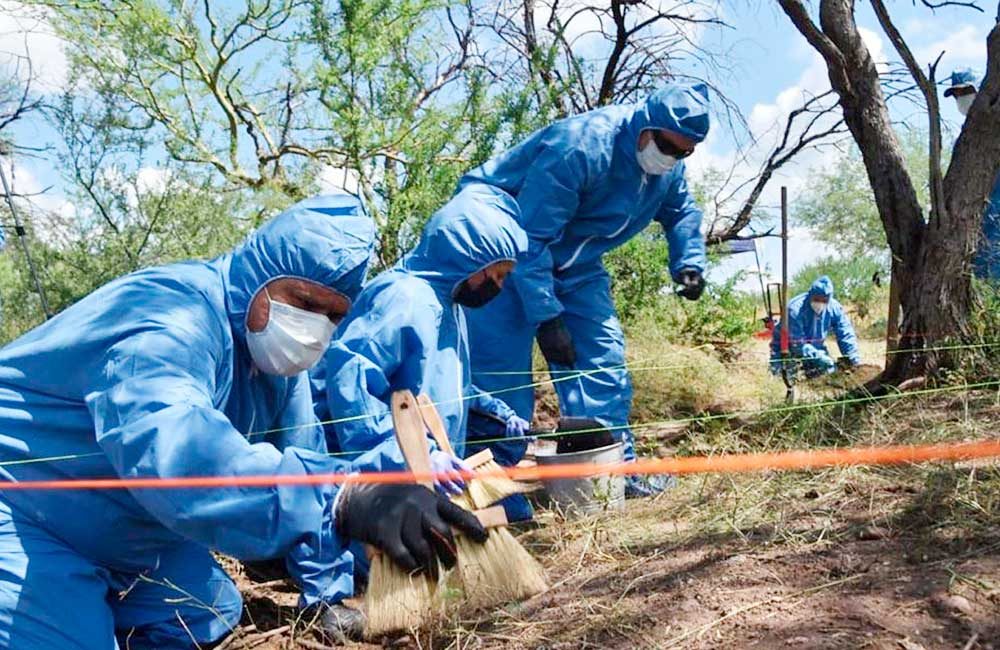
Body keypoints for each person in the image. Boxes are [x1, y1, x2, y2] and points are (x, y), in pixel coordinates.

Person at [0, 195, 487, 650]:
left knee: (208, 610)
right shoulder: (169, 319)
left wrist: (375, 504)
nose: (314, 326)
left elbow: (306, 462)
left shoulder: (274, 368)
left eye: (333, 314)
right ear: (259, 274)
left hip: (126, 525)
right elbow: (173, 451)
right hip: (25, 513)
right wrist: (342, 498)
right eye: (303, 300)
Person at [457, 83, 711, 497]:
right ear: (645, 125)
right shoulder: (580, 146)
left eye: (684, 152)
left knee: (603, 364)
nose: (672, 158)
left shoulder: (667, 167)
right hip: (503, 253)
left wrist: (689, 262)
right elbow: (530, 237)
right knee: (499, 375)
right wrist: (547, 316)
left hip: (576, 265)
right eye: (666, 146)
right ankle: (488, 491)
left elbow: (681, 211)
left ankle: (610, 478)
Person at [311, 183, 529, 491]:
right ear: (470, 257)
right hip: (378, 476)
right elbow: (352, 385)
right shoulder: (404, 298)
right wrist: (411, 454)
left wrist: (497, 414)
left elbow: (443, 384)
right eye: (499, 274)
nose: (500, 285)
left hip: (422, 475)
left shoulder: (449, 305)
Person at [943, 68, 1000, 279]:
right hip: (975, 223)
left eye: (966, 91)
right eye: (957, 94)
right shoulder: (964, 140)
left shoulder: (994, 128)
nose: (962, 98)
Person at [769, 275, 861, 378]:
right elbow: (798, 345)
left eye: (824, 300)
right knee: (785, 378)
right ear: (810, 295)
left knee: (826, 375)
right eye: (817, 299)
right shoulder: (794, 310)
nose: (820, 303)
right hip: (788, 348)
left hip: (816, 348)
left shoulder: (834, 308)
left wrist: (853, 358)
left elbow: (845, 334)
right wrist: (820, 358)